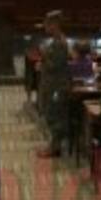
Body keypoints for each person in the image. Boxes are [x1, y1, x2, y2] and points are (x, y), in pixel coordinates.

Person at [36, 10, 70, 158]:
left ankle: (55, 148)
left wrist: (43, 55)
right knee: (50, 115)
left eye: (47, 24)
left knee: (54, 116)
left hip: (56, 86)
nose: (45, 26)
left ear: (55, 25)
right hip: (50, 84)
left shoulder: (60, 43)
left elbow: (55, 65)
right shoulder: (55, 41)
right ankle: (53, 145)